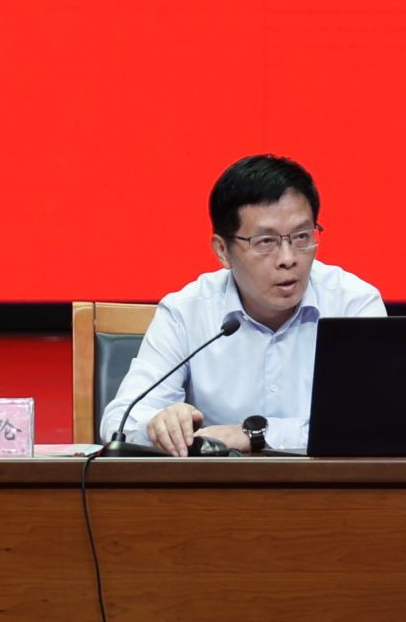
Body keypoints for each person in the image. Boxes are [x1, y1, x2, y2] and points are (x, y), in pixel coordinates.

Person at [98, 153, 385, 455]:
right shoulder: (186, 312)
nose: (288, 258)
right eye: (265, 242)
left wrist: (255, 434)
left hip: (331, 485)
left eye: (302, 236)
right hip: (217, 485)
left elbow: (377, 421)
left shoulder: (353, 306)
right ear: (222, 250)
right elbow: (120, 422)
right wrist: (160, 427)